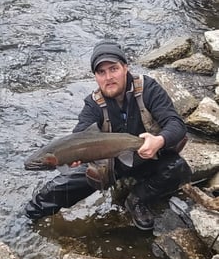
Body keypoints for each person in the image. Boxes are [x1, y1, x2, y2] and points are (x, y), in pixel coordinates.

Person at [25, 40, 192, 230]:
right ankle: (26, 223)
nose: (108, 77)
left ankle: (137, 199)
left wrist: (158, 140)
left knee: (178, 168)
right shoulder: (93, 104)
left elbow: (176, 124)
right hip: (110, 165)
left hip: (148, 158)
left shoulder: (148, 89)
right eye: (101, 72)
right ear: (95, 76)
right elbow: (79, 134)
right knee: (52, 193)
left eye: (113, 69)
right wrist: (73, 156)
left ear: (125, 68)